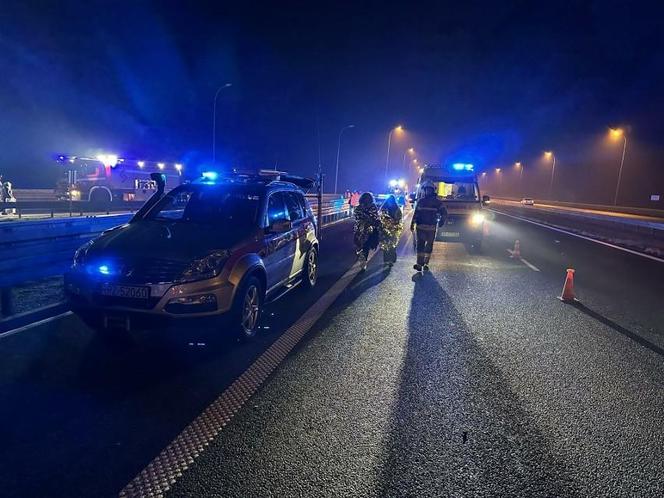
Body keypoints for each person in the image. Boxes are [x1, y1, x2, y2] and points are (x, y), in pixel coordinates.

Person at [410, 180, 447, 272]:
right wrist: (412, 223)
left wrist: (441, 221)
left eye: (429, 190)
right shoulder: (421, 201)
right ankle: (419, 264)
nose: (428, 191)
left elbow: (444, 213)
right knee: (420, 245)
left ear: (432, 190)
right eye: (427, 190)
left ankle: (426, 263)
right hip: (421, 227)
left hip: (431, 227)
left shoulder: (437, 202)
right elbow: (416, 214)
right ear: (425, 190)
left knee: (428, 246)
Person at [353, 192, 381, 271]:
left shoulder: (358, 207)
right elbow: (375, 217)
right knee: (366, 246)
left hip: (359, 229)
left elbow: (356, 217)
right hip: (368, 229)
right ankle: (363, 261)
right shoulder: (373, 207)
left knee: (360, 244)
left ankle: (362, 258)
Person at [379, 194, 403, 265]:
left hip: (385, 229)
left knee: (385, 244)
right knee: (392, 244)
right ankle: (391, 260)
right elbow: (399, 218)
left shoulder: (384, 207)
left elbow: (380, 217)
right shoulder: (396, 208)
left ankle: (386, 260)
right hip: (394, 230)